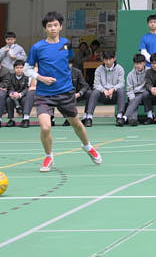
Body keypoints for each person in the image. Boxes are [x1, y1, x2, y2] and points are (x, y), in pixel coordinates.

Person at [28, 12, 102, 172]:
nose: (53, 28)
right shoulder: (37, 47)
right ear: (45, 28)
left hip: (65, 92)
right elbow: (27, 69)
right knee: (45, 127)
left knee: (76, 123)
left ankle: (88, 146)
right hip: (44, 94)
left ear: (60, 26)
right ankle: (49, 156)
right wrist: (41, 78)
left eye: (55, 25)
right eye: (49, 26)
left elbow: (68, 61)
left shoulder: (66, 44)